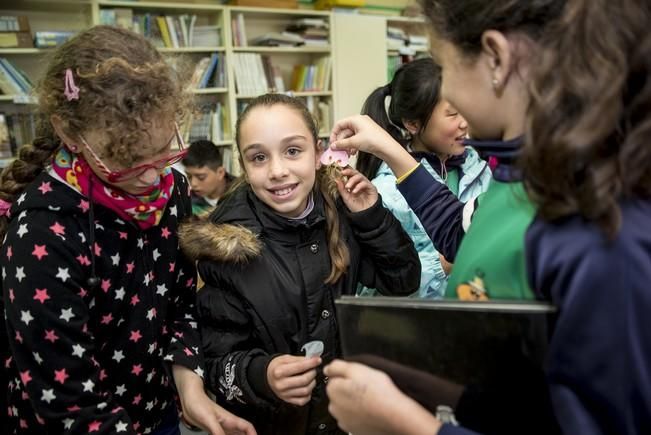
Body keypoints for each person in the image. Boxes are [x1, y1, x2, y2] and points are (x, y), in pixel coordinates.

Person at [325, 0, 651, 434]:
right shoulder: (518, 171)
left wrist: (406, 425)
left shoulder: (600, 229)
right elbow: (467, 236)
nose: (451, 95)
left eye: (444, 67)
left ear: (495, 57)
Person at [0, 26, 255, 435]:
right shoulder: (41, 234)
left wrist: (190, 390)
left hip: (159, 413)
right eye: (129, 159)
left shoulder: (172, 191)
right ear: (69, 132)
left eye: (162, 151)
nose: (154, 174)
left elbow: (180, 302)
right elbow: (68, 403)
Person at [178, 93, 420, 435]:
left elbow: (403, 280)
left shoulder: (341, 212)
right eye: (259, 157)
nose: (278, 171)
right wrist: (262, 374)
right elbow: (216, 364)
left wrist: (370, 216)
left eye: (293, 151)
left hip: (341, 419)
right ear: (244, 166)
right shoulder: (226, 247)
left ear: (318, 152)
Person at [356, 58, 490, 298]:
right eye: (452, 114)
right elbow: (371, 290)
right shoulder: (387, 192)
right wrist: (441, 265)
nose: (464, 123)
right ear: (412, 123)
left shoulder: (481, 168)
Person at [182, 139, 233, 215]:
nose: (193, 184)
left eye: (201, 177)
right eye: (189, 176)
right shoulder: (186, 202)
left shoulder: (242, 195)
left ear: (220, 173)